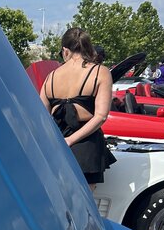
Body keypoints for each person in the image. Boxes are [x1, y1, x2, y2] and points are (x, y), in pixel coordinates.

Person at [39, 27, 115, 187]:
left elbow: (42, 117)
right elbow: (101, 116)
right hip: (86, 145)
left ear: (65, 50)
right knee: (85, 199)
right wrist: (70, 140)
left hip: (56, 146)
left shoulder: (51, 77)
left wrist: (59, 141)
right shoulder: (100, 72)